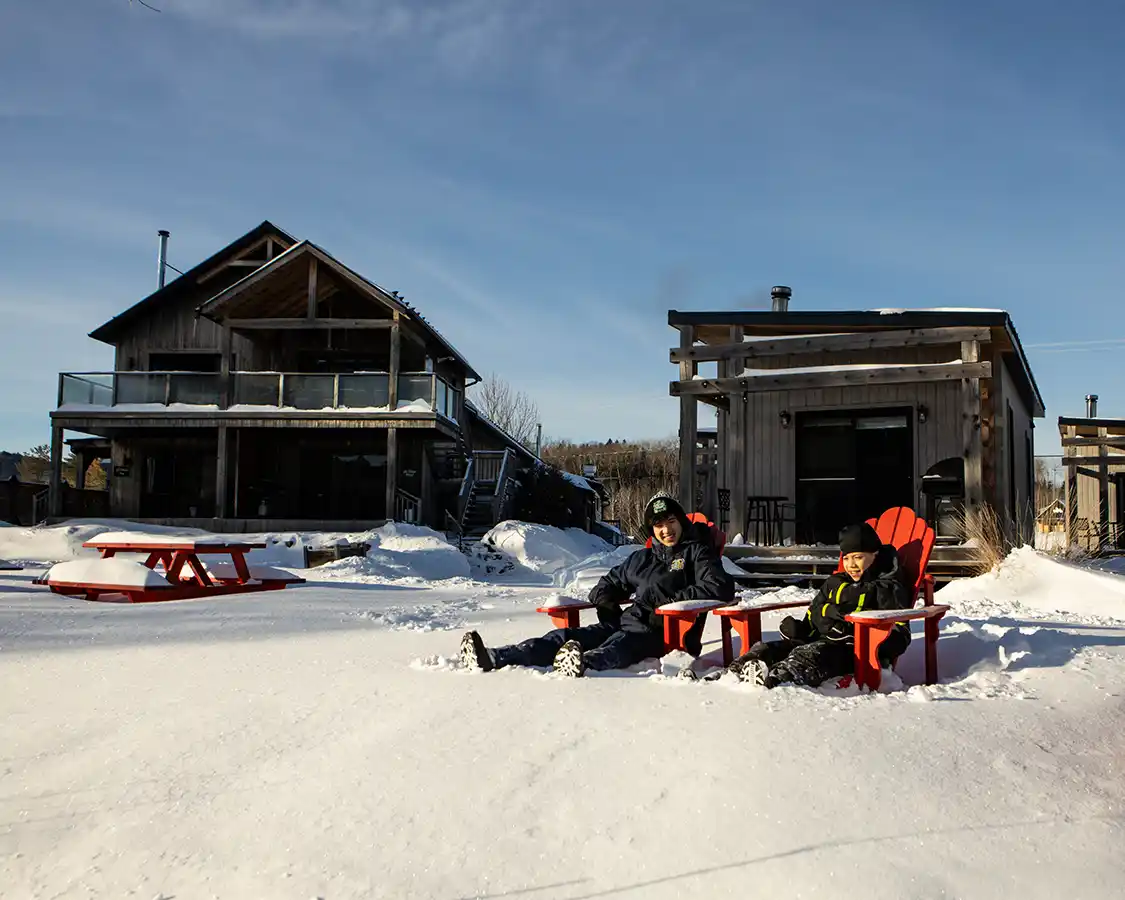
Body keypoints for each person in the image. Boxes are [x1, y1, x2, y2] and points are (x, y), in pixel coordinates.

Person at [459, 493, 735, 678]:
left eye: (671, 521)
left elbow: (719, 587)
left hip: (662, 633)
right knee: (565, 636)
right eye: (659, 525)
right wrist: (607, 601)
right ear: (652, 531)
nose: (666, 530)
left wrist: (666, 602)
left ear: (682, 522)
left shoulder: (697, 553)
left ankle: (584, 663)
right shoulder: (642, 558)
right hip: (627, 622)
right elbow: (609, 583)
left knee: (619, 644)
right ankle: (497, 657)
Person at [727, 521, 912, 688]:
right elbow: (815, 610)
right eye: (846, 558)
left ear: (875, 555)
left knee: (809, 656)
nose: (851, 564)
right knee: (769, 648)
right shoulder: (836, 582)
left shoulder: (887, 589)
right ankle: (733, 674)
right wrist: (802, 629)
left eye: (858, 557)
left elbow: (900, 636)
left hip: (854, 652)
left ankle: (777, 681)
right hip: (820, 640)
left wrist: (850, 632)